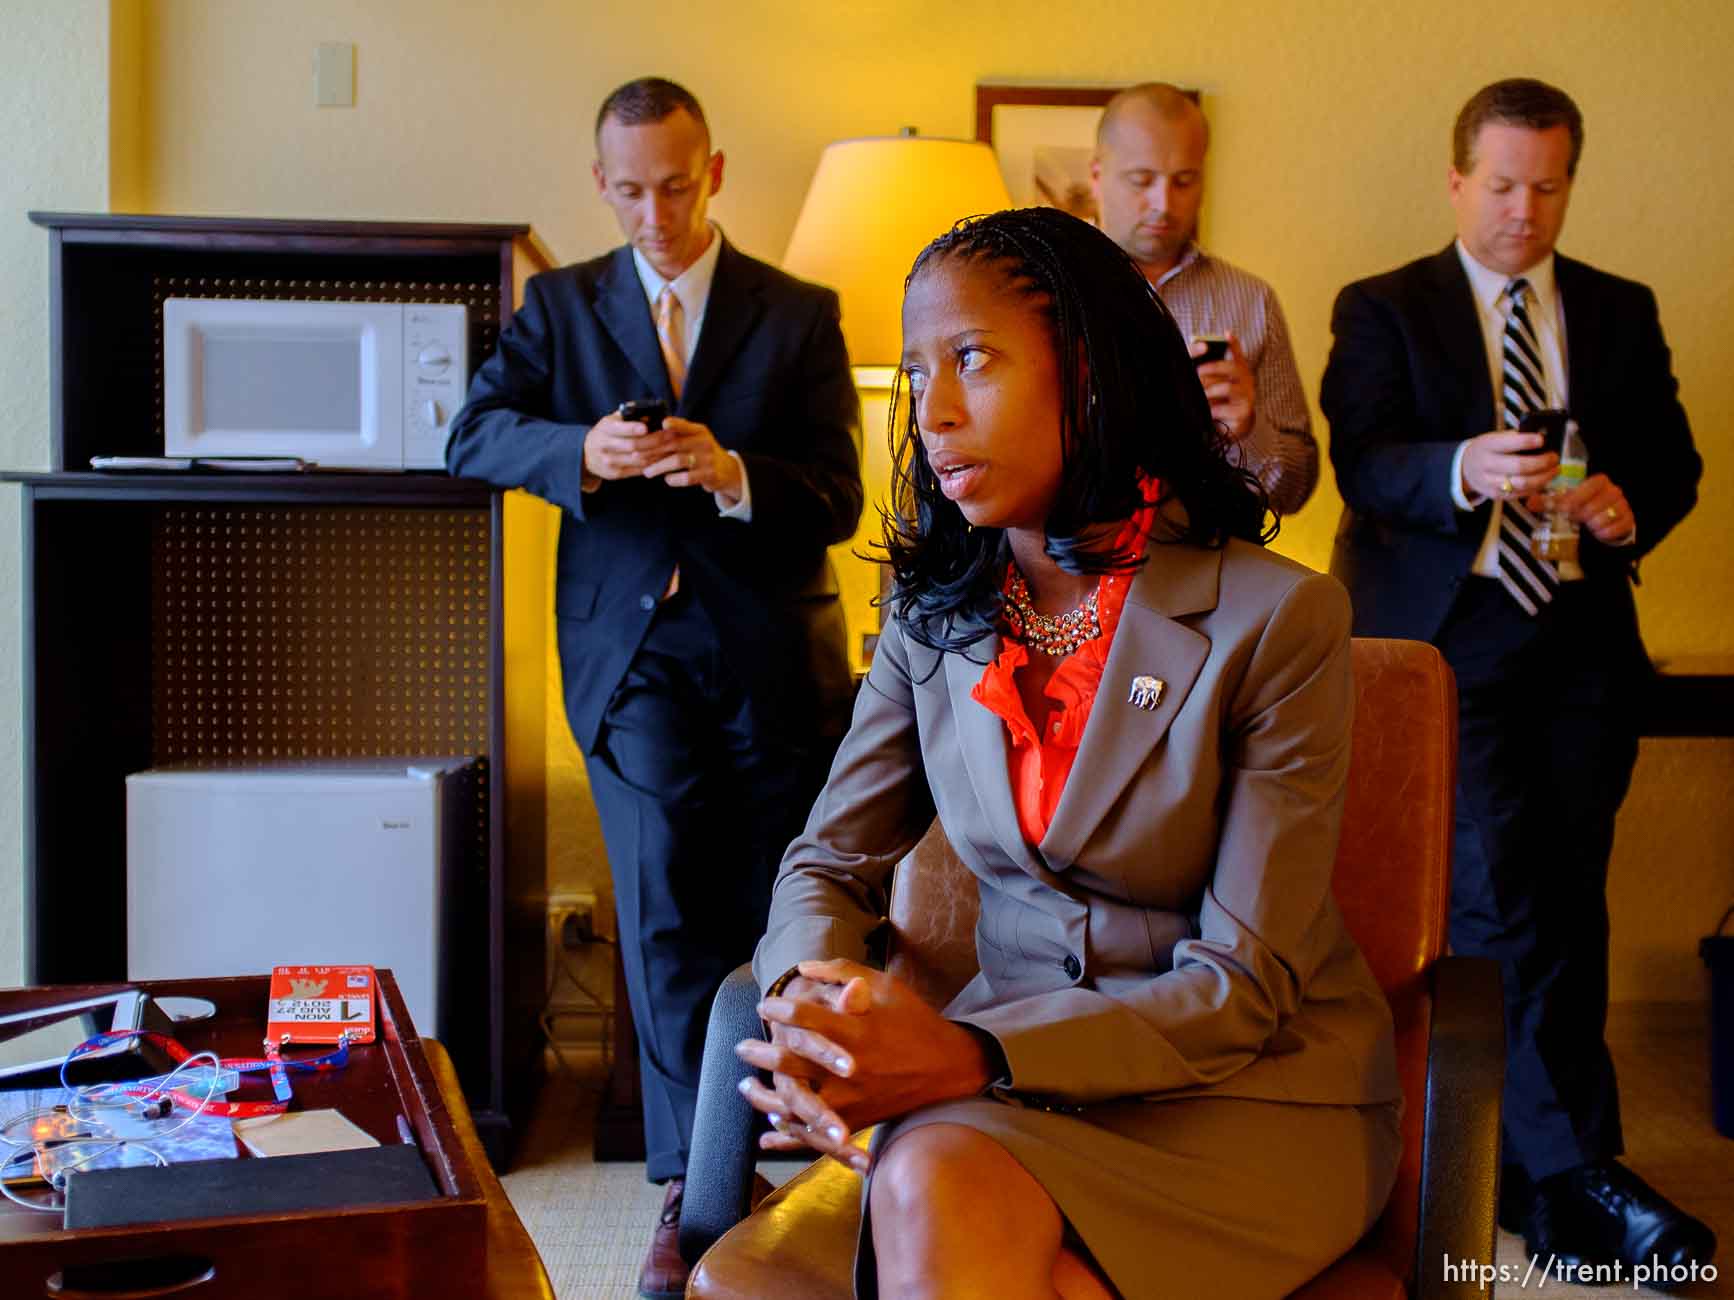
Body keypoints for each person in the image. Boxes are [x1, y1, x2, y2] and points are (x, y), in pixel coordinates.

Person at [733, 206, 1402, 1300]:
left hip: (1243, 1095)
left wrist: (971, 1057)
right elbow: (827, 864)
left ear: (1089, 374)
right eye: (918, 371)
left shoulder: (1279, 621)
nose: (934, 413)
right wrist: (817, 1008)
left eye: (973, 359)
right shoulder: (930, 615)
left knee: (946, 1194)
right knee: (945, 1189)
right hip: (1012, 1091)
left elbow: (1241, 988)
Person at [445, 76, 862, 1298]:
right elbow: (470, 435)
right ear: (600, 185)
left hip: (772, 652)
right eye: (628, 191)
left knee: (762, 907)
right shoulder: (561, 306)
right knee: (665, 893)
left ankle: (772, 1147)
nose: (654, 213)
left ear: (714, 172)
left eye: (674, 186)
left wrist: (736, 472)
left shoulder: (798, 312)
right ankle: (697, 1184)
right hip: (628, 655)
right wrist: (582, 449)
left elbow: (838, 493)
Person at [1321, 78, 1712, 1276]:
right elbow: (1364, 462)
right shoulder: (1385, 307)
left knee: (1570, 902)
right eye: (1501, 185)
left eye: (1547, 188)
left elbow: (1676, 463)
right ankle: (1574, 1173)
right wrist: (1459, 467)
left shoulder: (1620, 307)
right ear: (1457, 181)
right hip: (1449, 642)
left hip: (1583, 648)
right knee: (1501, 904)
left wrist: (1623, 501)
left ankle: (1539, 1179)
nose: (1523, 212)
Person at [1091, 82, 1318, 515]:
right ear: (1097, 176)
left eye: (1184, 181)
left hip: (1211, 561)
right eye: (1142, 180)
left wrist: (1249, 430)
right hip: (1067, 563)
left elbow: (1295, 491)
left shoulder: (1251, 302)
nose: (1163, 203)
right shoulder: (1042, 294)